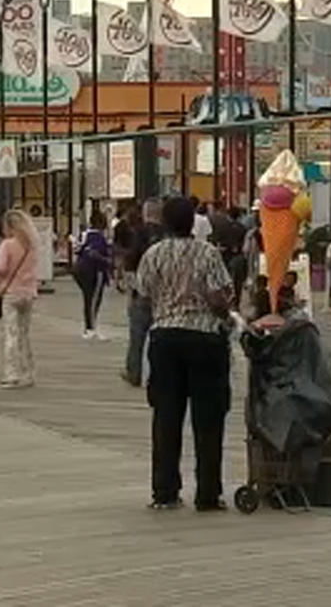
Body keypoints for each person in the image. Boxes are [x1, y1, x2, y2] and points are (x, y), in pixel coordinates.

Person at [134, 196, 234, 511]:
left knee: (166, 416)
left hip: (165, 338)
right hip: (204, 339)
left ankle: (164, 491)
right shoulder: (208, 253)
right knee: (208, 419)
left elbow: (143, 295)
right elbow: (220, 297)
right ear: (193, 222)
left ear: (164, 222)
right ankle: (207, 492)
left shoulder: (153, 254)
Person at [0, 210, 40, 388]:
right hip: (28, 293)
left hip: (11, 293)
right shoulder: (31, 246)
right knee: (24, 335)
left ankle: (12, 374)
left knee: (11, 334)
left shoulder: (8, 245)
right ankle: (29, 373)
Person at [121, 198, 164, 387]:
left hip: (142, 292)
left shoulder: (138, 232)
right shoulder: (167, 234)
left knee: (137, 335)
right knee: (160, 337)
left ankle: (134, 372)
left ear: (145, 213)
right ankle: (159, 373)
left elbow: (130, 262)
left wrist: (130, 291)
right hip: (164, 294)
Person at [72, 211, 112, 340]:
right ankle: (91, 328)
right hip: (95, 271)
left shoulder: (84, 234)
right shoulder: (100, 237)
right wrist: (108, 262)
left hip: (80, 270)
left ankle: (89, 328)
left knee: (88, 298)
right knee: (94, 300)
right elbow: (100, 255)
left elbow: (76, 249)